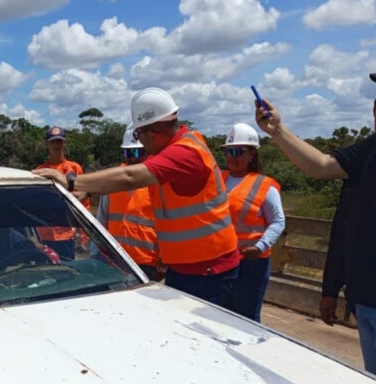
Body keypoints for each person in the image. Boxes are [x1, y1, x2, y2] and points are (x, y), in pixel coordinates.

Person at [34, 87, 240, 306]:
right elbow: (125, 182)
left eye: (138, 134)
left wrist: (71, 181)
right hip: (190, 266)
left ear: (152, 132)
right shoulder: (176, 149)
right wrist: (90, 190)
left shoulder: (185, 153)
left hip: (208, 269)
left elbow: (130, 177)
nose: (140, 141)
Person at [253, 92, 376, 376]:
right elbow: (344, 230)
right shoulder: (369, 157)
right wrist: (330, 290)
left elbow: (321, 166)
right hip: (366, 300)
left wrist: (277, 130)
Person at [220, 123, 285, 322]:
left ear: (252, 154)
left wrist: (260, 247)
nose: (232, 157)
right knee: (219, 314)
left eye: (238, 151)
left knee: (246, 317)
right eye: (228, 151)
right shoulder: (218, 179)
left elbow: (278, 221)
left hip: (251, 263)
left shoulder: (264, 185)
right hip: (221, 260)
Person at [96, 127, 162, 281]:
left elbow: (168, 225)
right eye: (128, 153)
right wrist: (98, 254)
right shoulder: (113, 181)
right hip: (114, 260)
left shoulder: (158, 182)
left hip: (146, 261)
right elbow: (101, 222)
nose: (133, 158)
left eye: (137, 153)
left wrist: (164, 257)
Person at [35, 126, 89, 257]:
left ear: (64, 143)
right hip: (45, 234)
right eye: (52, 142)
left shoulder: (74, 169)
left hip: (66, 234)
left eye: (59, 141)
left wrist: (84, 235)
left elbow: (84, 203)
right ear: (47, 144)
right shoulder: (41, 171)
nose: (56, 145)